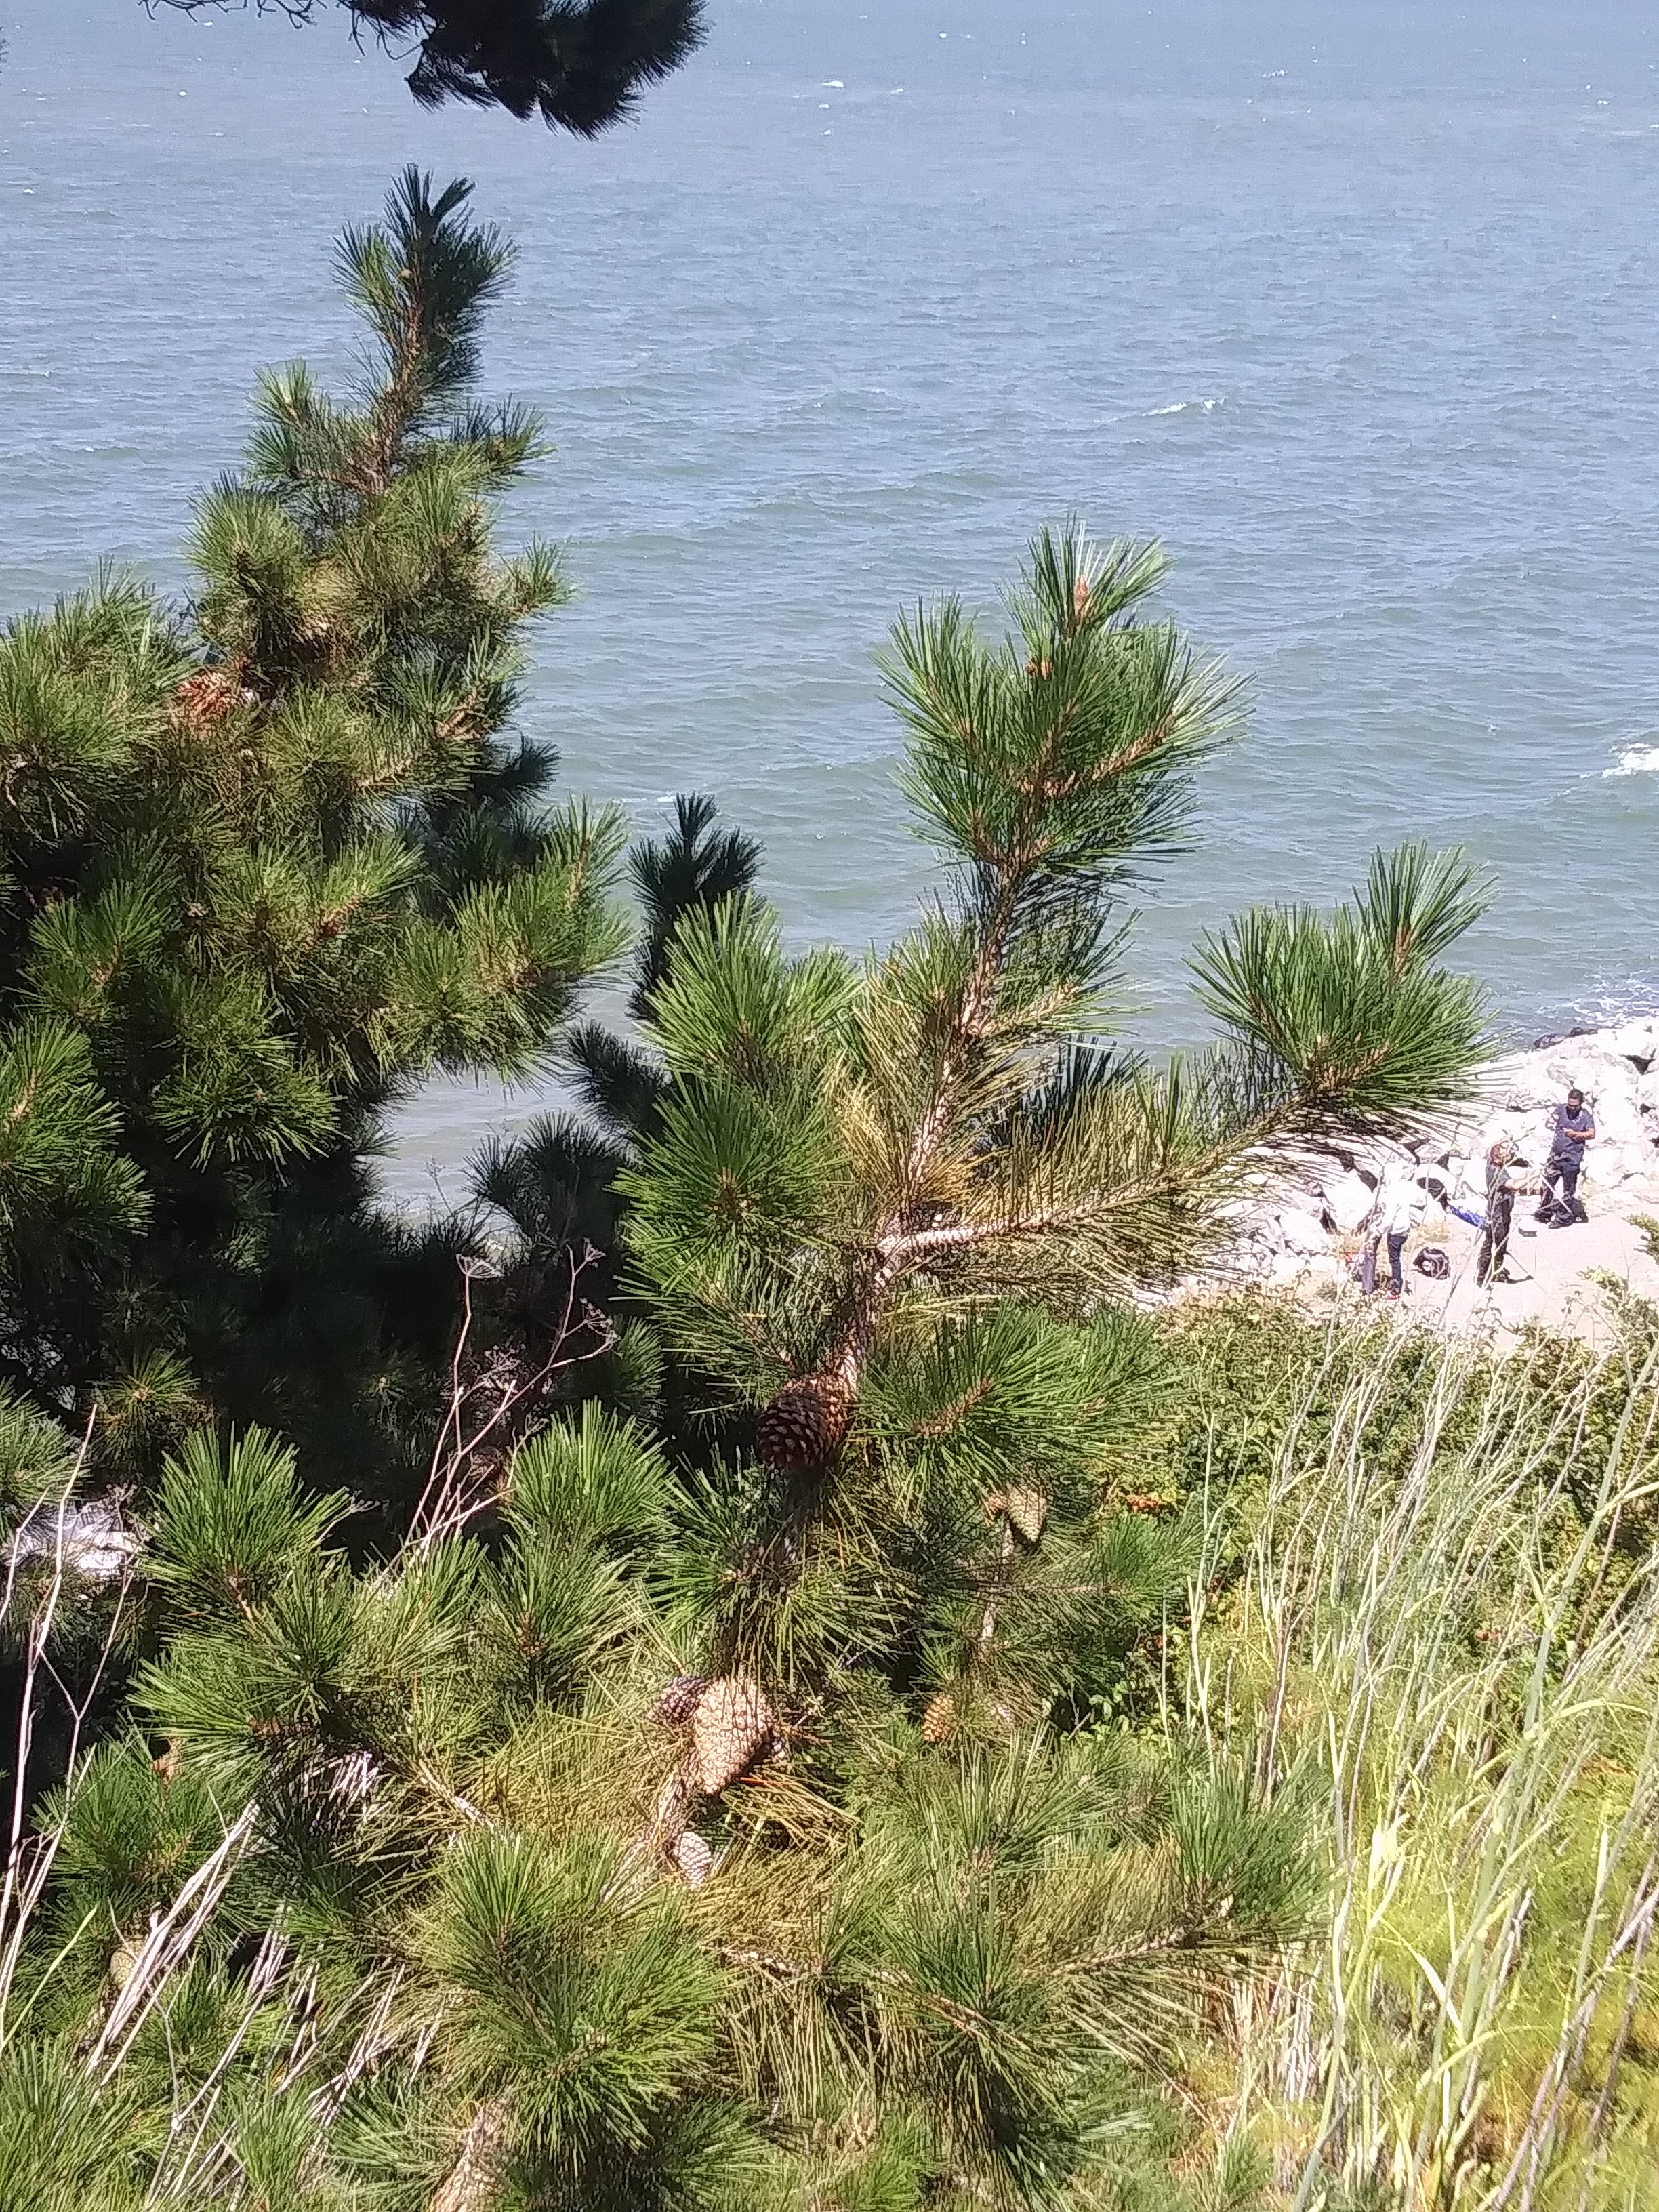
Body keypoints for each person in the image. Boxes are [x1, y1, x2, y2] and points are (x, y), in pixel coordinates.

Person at [1362, 1162, 1425, 1298]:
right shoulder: (1401, 1188)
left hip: (1396, 1231)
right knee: (1397, 1258)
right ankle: (1398, 1284)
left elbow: (1388, 1219)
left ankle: (1396, 1289)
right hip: (1404, 1228)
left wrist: (1377, 1232)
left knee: (1394, 1260)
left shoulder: (1391, 1193)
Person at [1536, 1088, 1595, 1226]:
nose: (1572, 1108)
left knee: (1568, 1188)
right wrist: (1551, 1120)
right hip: (1555, 1156)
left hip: (1572, 1158)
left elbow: (1591, 1134)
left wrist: (1576, 1134)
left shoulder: (1585, 1116)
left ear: (1581, 1103)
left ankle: (1564, 1217)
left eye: (1575, 1105)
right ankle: (1545, 1211)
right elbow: (1554, 1118)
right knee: (1547, 1183)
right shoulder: (1562, 1109)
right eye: (1570, 1104)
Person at [1478, 1140, 1523, 1286]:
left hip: (1502, 1212)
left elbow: (1490, 1147)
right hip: (1498, 1215)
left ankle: (1492, 1273)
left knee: (1493, 1244)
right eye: (1504, 1156)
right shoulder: (1496, 1172)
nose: (1507, 1158)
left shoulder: (1491, 1163)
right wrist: (1533, 1176)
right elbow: (1514, 1185)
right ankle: (1487, 1276)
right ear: (1497, 1158)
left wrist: (1507, 1139)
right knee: (1496, 1245)